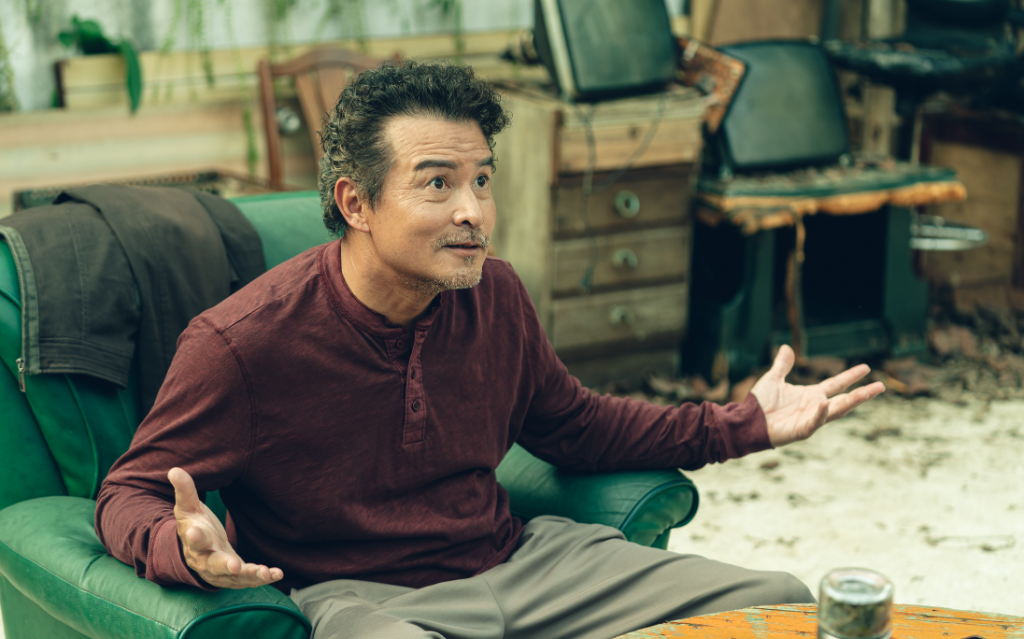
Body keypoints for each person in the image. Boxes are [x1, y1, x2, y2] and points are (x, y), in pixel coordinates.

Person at [96, 62, 885, 639]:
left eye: (482, 180)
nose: (473, 210)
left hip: (527, 564)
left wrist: (745, 422)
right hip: (361, 598)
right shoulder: (242, 342)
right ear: (355, 201)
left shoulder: (495, 294)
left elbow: (577, 427)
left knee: (781, 605)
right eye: (437, 183)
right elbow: (129, 491)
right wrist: (179, 546)